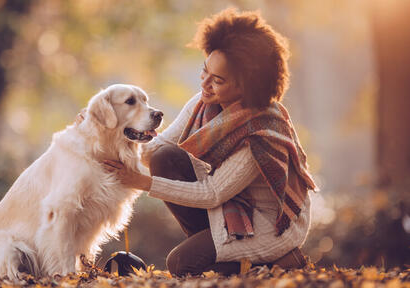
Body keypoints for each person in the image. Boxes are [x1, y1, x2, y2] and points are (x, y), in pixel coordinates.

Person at [102, 8, 318, 276]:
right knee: (164, 157)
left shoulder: (260, 131)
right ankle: (222, 252)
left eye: (217, 80)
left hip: (269, 225)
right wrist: (108, 136)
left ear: (246, 87)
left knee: (181, 264)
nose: (205, 84)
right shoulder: (204, 104)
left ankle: (281, 259)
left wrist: (141, 182)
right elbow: (156, 148)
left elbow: (212, 193)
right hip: (231, 208)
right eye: (205, 71)